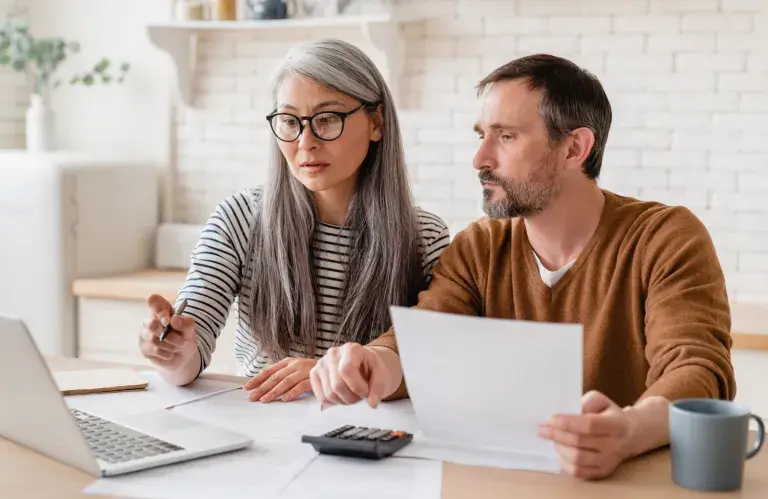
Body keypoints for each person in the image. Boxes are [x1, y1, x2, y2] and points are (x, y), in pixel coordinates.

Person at [309, 54, 736, 479]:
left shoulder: (663, 237)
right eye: (481, 136)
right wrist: (370, 363)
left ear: (574, 148)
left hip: (628, 483)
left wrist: (627, 431)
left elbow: (698, 372)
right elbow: (423, 340)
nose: (480, 159)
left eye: (506, 136)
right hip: (507, 480)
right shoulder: (479, 246)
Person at [138, 38, 450, 404]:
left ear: (376, 122)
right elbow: (189, 356)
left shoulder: (424, 237)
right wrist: (172, 350)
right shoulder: (240, 218)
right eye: (289, 121)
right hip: (267, 431)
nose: (306, 142)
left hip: (373, 438)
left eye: (328, 119)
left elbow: (435, 364)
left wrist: (326, 374)